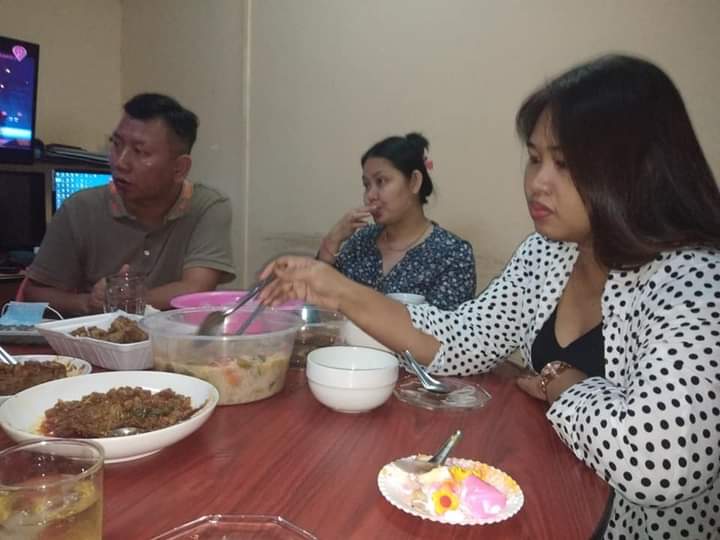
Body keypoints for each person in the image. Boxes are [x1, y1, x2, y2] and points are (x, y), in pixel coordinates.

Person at [260, 55, 720, 539]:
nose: (536, 182)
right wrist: (336, 290)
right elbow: (462, 339)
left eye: (564, 163)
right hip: (551, 494)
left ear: (638, 169)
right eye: (535, 158)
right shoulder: (549, 254)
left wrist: (562, 385)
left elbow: (661, 466)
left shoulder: (695, 280)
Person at [25, 93, 236, 315]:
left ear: (179, 168)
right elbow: (34, 293)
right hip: (101, 334)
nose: (120, 162)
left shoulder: (207, 206)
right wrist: (88, 302)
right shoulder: (79, 208)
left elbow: (196, 288)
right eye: (116, 145)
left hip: (174, 335)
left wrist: (125, 298)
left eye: (140, 151)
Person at [317, 133, 476, 310]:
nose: (370, 196)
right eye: (366, 185)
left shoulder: (452, 253)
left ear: (414, 182)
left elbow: (447, 325)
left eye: (381, 181)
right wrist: (332, 240)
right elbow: (318, 303)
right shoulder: (361, 241)